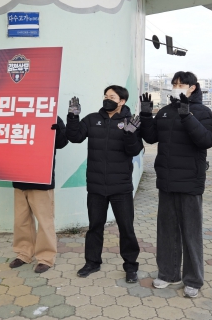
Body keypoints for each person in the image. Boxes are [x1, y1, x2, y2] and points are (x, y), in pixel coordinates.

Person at [139, 71, 212, 299]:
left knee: (191, 233)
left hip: (191, 182)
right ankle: (168, 273)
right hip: (166, 180)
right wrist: (145, 115)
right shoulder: (164, 111)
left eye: (181, 84)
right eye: (174, 84)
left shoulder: (202, 112)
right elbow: (151, 137)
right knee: (166, 231)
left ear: (193, 87)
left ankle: (193, 279)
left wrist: (187, 116)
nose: (176, 87)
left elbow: (207, 140)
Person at [66, 85, 144, 283]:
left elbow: (135, 151)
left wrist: (130, 134)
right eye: (105, 96)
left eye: (112, 96)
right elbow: (74, 137)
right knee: (95, 226)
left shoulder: (131, 121)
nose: (107, 99)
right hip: (96, 185)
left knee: (126, 228)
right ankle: (92, 262)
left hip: (121, 186)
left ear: (122, 101)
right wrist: (73, 117)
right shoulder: (93, 119)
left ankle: (130, 266)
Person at [8, 117, 68, 273]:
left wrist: (59, 130)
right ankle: (24, 253)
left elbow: (62, 143)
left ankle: (45, 257)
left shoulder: (51, 115)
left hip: (41, 178)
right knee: (21, 220)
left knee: (44, 221)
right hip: (19, 177)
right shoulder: (15, 116)